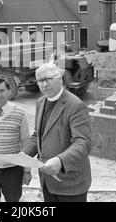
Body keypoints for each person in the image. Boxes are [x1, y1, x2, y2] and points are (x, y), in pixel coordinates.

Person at [23, 63, 92, 202]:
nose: (44, 84)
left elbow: (83, 143)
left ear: (60, 78)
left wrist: (60, 160)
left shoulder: (75, 105)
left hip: (71, 183)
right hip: (48, 181)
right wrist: (23, 158)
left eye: (48, 79)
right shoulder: (41, 102)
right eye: (40, 81)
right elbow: (38, 136)